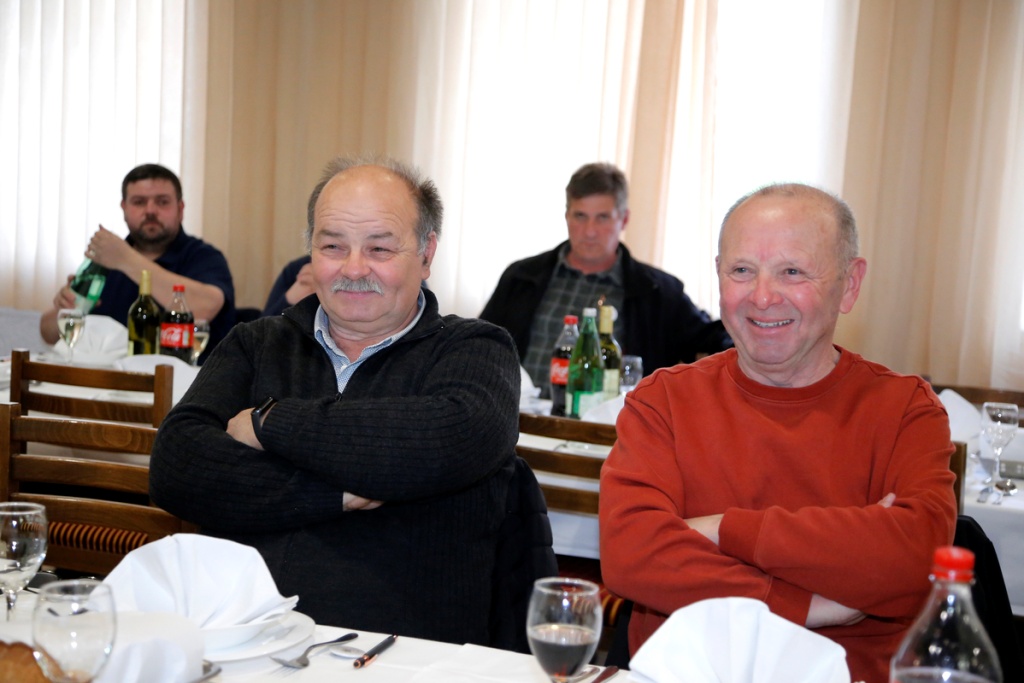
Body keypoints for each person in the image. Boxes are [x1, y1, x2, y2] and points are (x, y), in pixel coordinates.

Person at [149, 156, 527, 645]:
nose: (353, 268)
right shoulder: (255, 344)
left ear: (426, 254)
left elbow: (443, 440)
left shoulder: (477, 349)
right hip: (240, 641)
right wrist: (334, 495)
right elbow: (177, 465)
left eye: (379, 248)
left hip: (402, 651)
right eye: (332, 246)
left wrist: (269, 422)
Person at [599, 183, 957, 683]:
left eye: (792, 271)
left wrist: (723, 528)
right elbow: (632, 555)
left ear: (850, 284)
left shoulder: (904, 410)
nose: (763, 296)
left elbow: (916, 562)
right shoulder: (663, 402)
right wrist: (806, 605)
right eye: (742, 271)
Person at [480, 162, 731, 395]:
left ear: (624, 219)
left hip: (612, 425)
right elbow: (479, 345)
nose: (590, 231)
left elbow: (715, 340)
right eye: (580, 216)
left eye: (602, 217)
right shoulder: (522, 278)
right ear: (567, 216)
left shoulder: (657, 292)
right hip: (518, 418)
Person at [40, 163, 236, 355]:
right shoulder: (105, 261)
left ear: (180, 209)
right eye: (139, 202)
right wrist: (65, 309)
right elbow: (48, 333)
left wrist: (126, 259)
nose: (150, 211)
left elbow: (205, 307)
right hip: (110, 374)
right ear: (124, 208)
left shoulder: (204, 256)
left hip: (187, 375)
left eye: (162, 202)